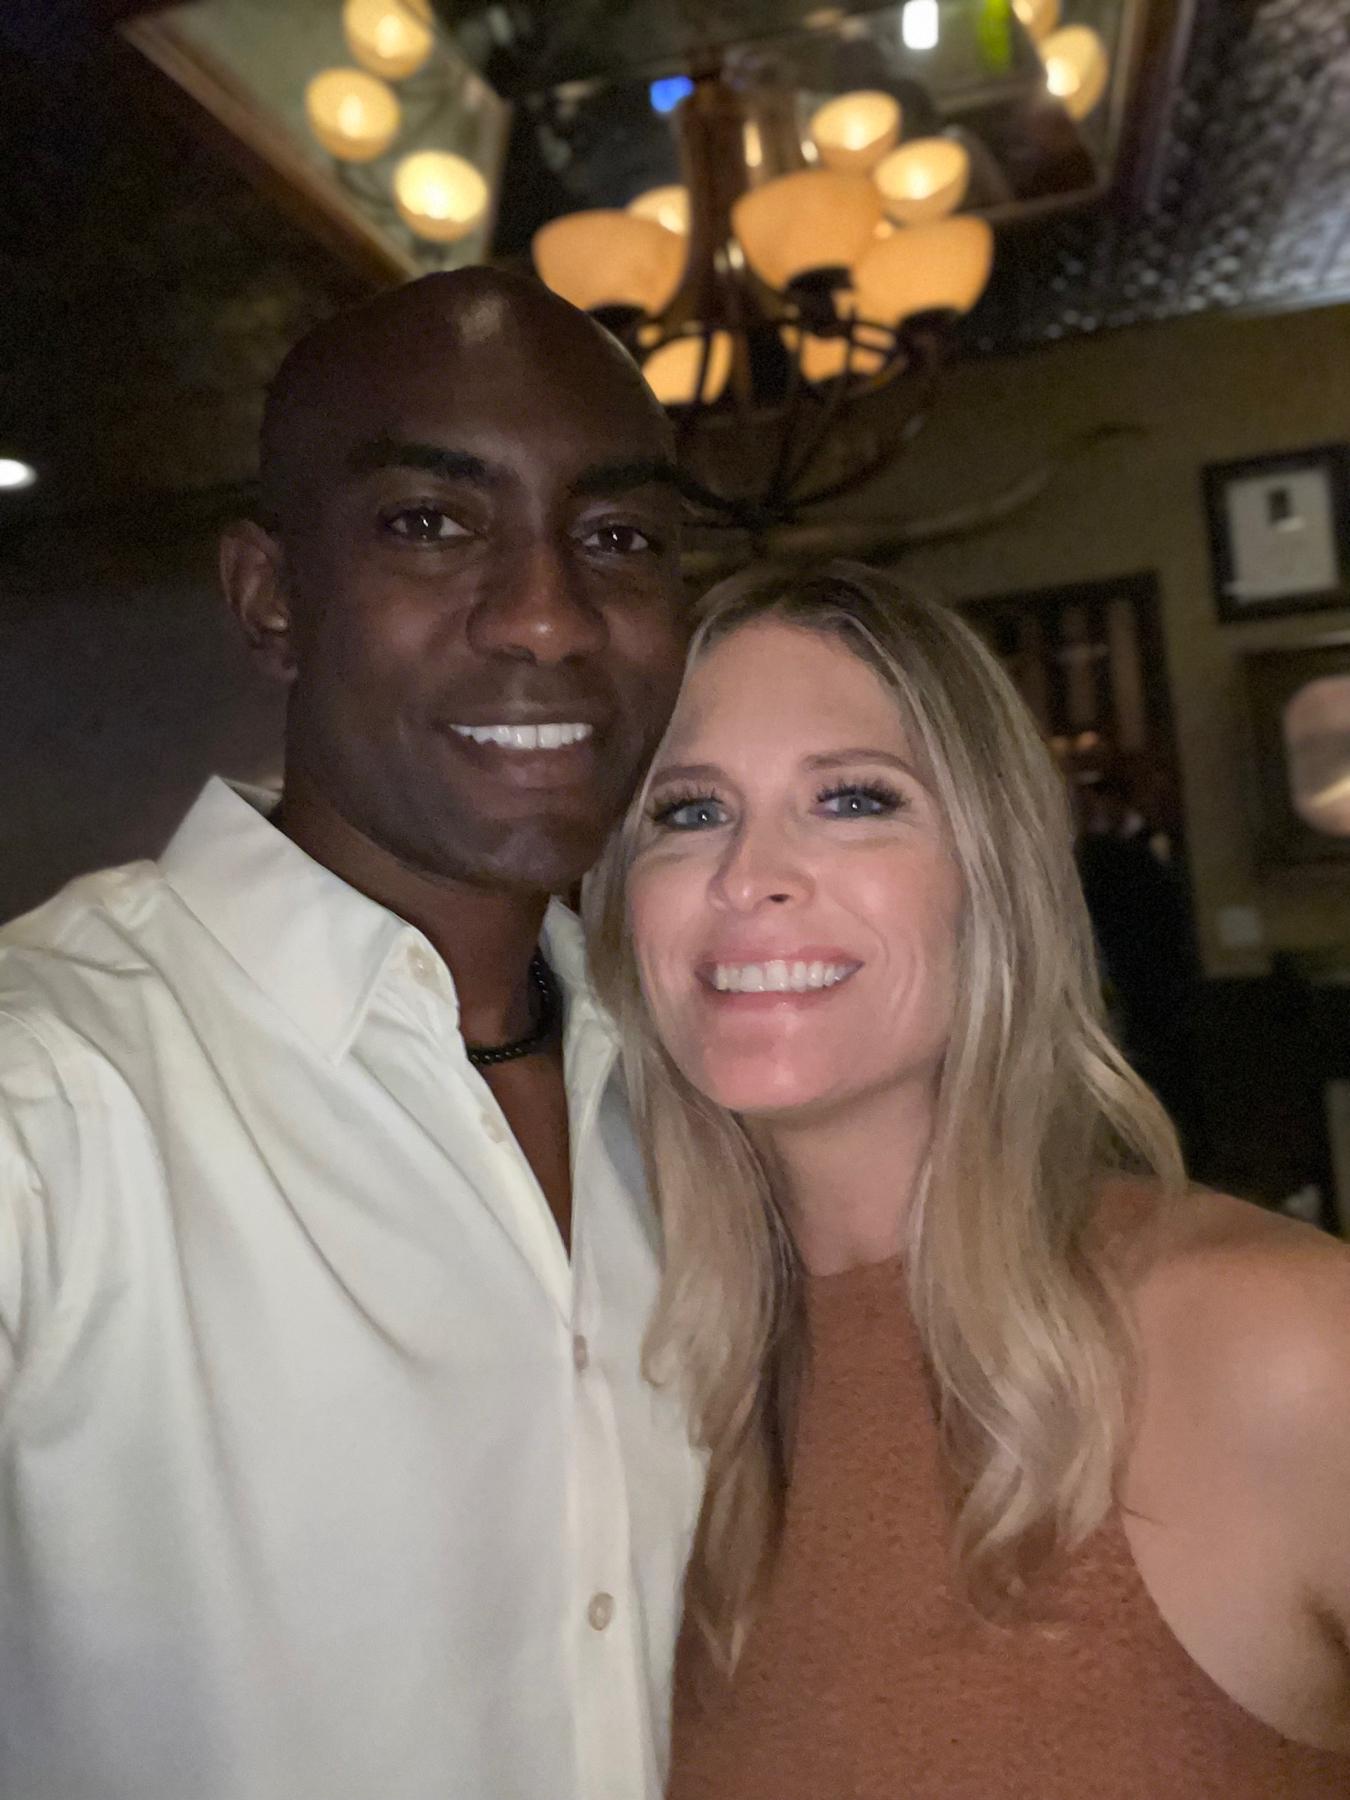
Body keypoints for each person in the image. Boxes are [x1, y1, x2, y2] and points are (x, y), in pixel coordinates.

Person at [0, 269, 705, 1800]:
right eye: (430, 523)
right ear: (270, 598)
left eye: (617, 538)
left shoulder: (699, 1088)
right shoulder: (47, 1095)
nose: (546, 615)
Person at [586, 561, 1350, 1797]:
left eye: (852, 798)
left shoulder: (1285, 1344)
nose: (748, 873)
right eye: (687, 812)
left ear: (990, 878)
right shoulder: (631, 1398)